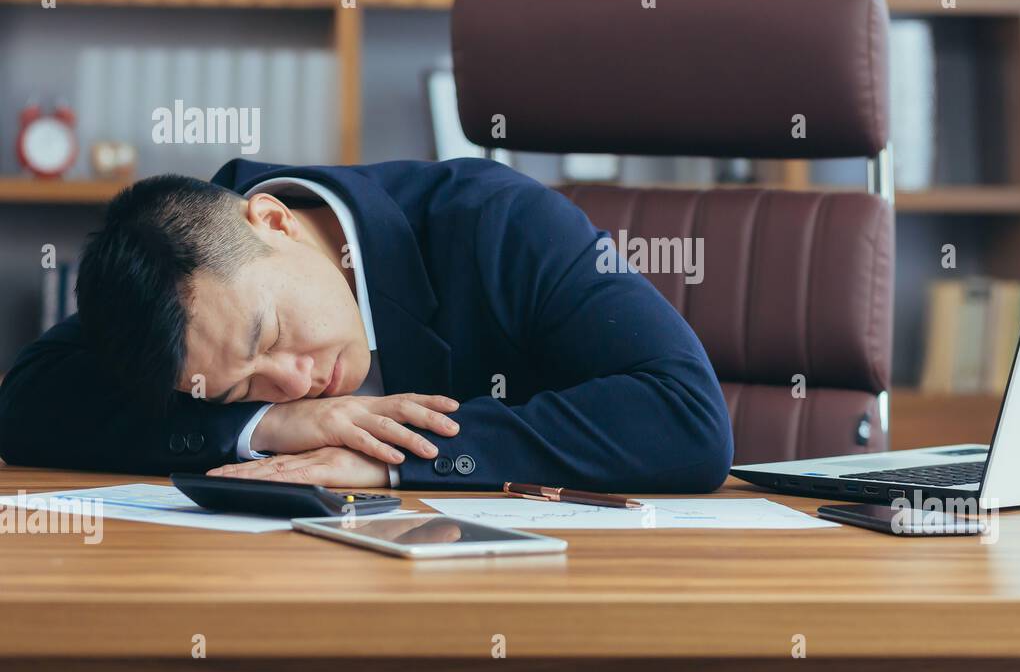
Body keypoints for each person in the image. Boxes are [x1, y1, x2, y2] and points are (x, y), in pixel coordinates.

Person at [0, 158, 733, 491]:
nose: (290, 382)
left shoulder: (497, 223)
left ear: (275, 220)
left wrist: (394, 458)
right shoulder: (166, 276)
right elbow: (26, 404)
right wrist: (264, 428)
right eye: (237, 388)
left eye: (271, 335)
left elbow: (689, 420)